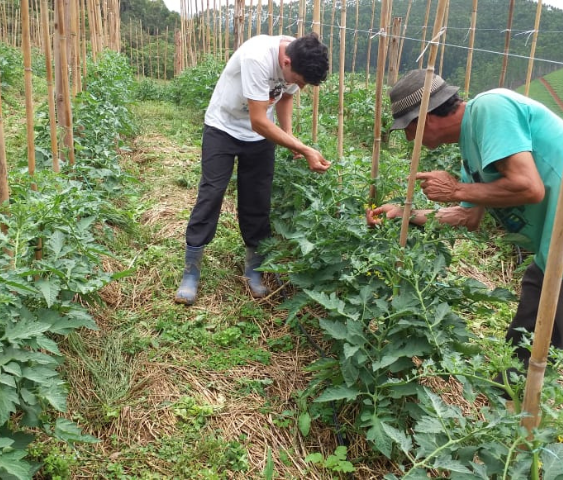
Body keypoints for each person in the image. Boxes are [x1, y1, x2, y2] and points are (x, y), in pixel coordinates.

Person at [367, 68, 563, 373]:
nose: (407, 138)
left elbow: (530, 187)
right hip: (552, 250)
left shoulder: (490, 107)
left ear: (424, 121)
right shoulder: (469, 151)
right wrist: (406, 214)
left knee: (532, 340)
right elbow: (468, 216)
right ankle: (512, 410)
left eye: (406, 128)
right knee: (531, 334)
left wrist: (456, 189)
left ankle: (511, 411)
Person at [175, 33, 331, 305]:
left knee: (257, 200)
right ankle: (191, 271)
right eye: (298, 80)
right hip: (223, 127)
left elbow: (284, 99)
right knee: (212, 193)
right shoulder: (257, 57)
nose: (299, 86)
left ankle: (253, 269)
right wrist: (304, 148)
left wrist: (290, 136)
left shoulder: (299, 58)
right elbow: (259, 120)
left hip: (259, 138)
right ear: (285, 62)